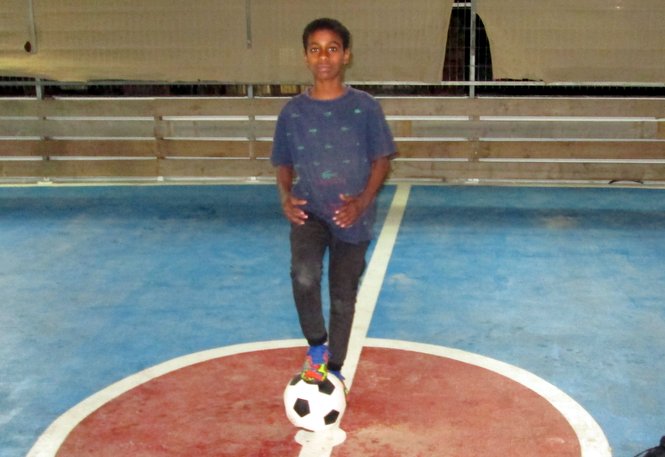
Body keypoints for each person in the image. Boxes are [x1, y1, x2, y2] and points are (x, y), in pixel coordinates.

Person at [271, 17, 396, 384]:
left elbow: (382, 160)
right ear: (306, 58)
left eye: (332, 48)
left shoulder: (365, 107)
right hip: (310, 212)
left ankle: (336, 369)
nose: (323, 56)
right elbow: (283, 162)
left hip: (351, 217)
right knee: (304, 275)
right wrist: (285, 196)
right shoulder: (293, 112)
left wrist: (362, 202)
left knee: (343, 296)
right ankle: (316, 348)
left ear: (346, 56)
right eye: (315, 49)